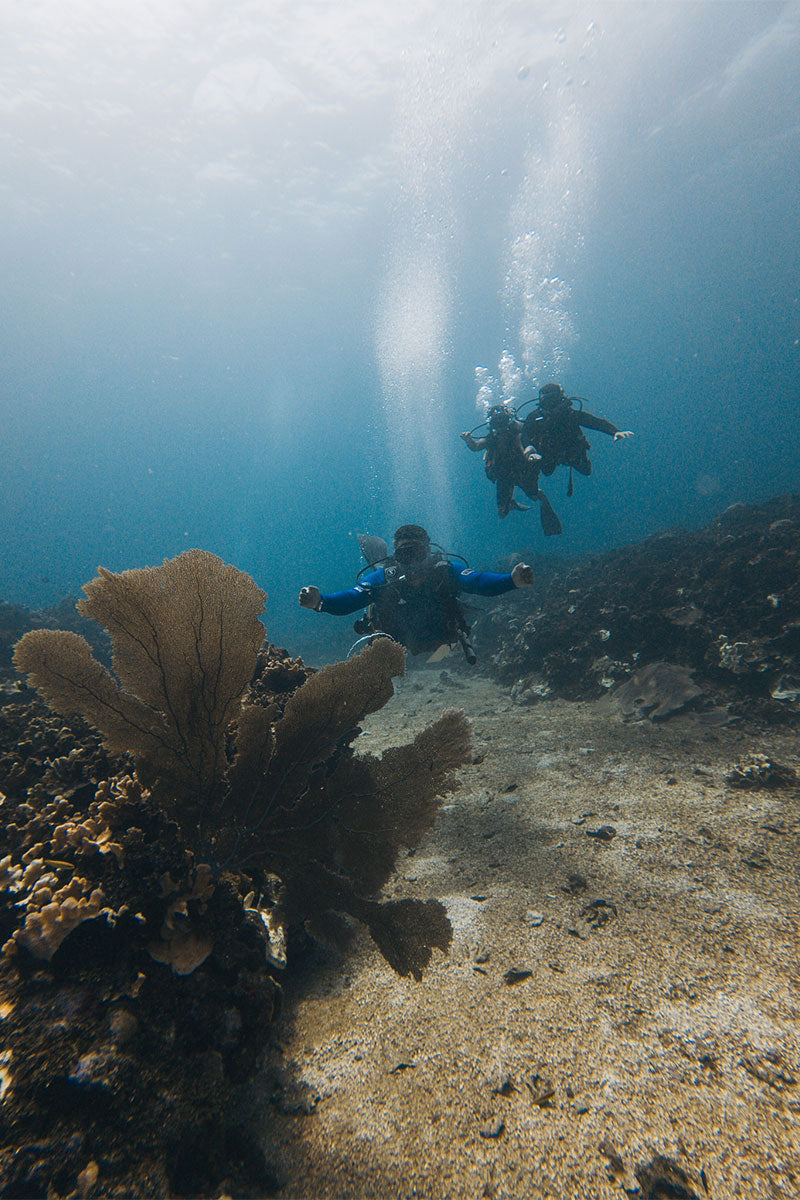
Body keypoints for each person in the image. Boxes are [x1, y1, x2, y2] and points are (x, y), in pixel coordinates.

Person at [299, 523, 534, 665]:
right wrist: (321, 602)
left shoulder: (445, 572)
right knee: (377, 580)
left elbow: (478, 581)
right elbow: (353, 598)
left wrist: (511, 580)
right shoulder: (384, 578)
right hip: (397, 640)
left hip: (442, 636)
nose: (411, 562)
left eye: (416, 553)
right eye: (404, 555)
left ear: (428, 551)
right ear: (395, 555)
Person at [460, 405, 562, 535]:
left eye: (502, 420)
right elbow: (476, 446)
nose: (501, 426)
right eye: (497, 422)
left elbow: (529, 443)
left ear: (508, 419)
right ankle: (511, 501)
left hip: (522, 469)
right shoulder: (492, 437)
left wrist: (531, 454)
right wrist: (469, 440)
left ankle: (540, 497)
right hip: (504, 475)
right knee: (502, 513)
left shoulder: (517, 429)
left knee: (534, 495)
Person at [521, 383, 634, 496]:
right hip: (551, 453)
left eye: (553, 400)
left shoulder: (570, 414)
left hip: (572, 451)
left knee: (586, 470)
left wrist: (615, 431)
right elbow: (525, 434)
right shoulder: (535, 418)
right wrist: (529, 450)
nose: (551, 406)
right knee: (546, 471)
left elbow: (595, 422)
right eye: (548, 402)